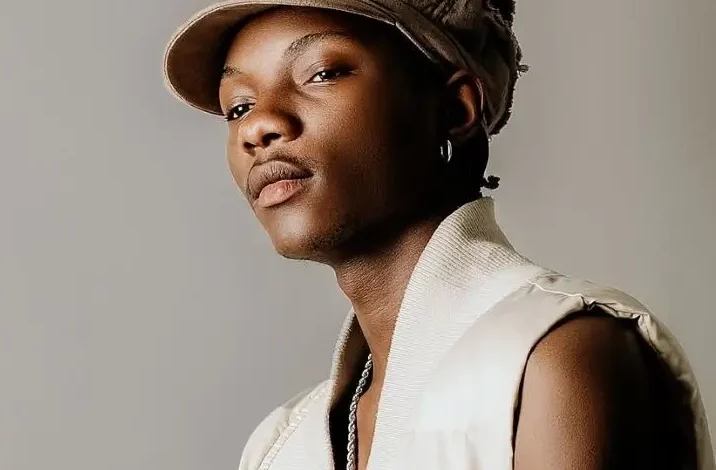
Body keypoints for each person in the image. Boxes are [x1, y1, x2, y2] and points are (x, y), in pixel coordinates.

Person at [162, 1, 714, 469]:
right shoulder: (280, 446)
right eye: (238, 106)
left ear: (454, 108)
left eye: (322, 73)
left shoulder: (555, 357)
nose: (258, 127)